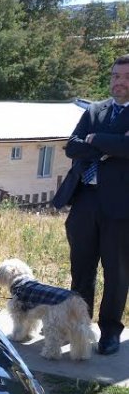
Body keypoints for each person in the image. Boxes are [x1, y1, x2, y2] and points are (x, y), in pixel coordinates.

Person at [52, 54, 129, 355]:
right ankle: (78, 326)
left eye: (124, 77)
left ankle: (109, 332)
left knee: (117, 272)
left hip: (121, 208)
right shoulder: (95, 110)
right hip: (85, 200)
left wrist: (95, 141)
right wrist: (110, 144)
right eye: (115, 76)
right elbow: (72, 146)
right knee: (81, 269)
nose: (118, 82)